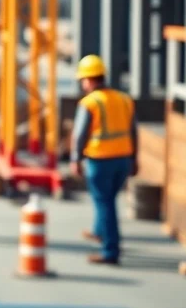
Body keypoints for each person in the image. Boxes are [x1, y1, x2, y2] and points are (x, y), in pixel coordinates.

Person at [71, 54, 138, 266]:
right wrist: (134, 158)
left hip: (100, 161)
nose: (82, 84)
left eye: (83, 80)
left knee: (105, 203)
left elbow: (80, 134)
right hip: (123, 159)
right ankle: (100, 231)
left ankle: (110, 250)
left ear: (88, 80)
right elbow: (133, 131)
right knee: (107, 200)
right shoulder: (124, 99)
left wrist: (75, 159)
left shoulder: (90, 103)